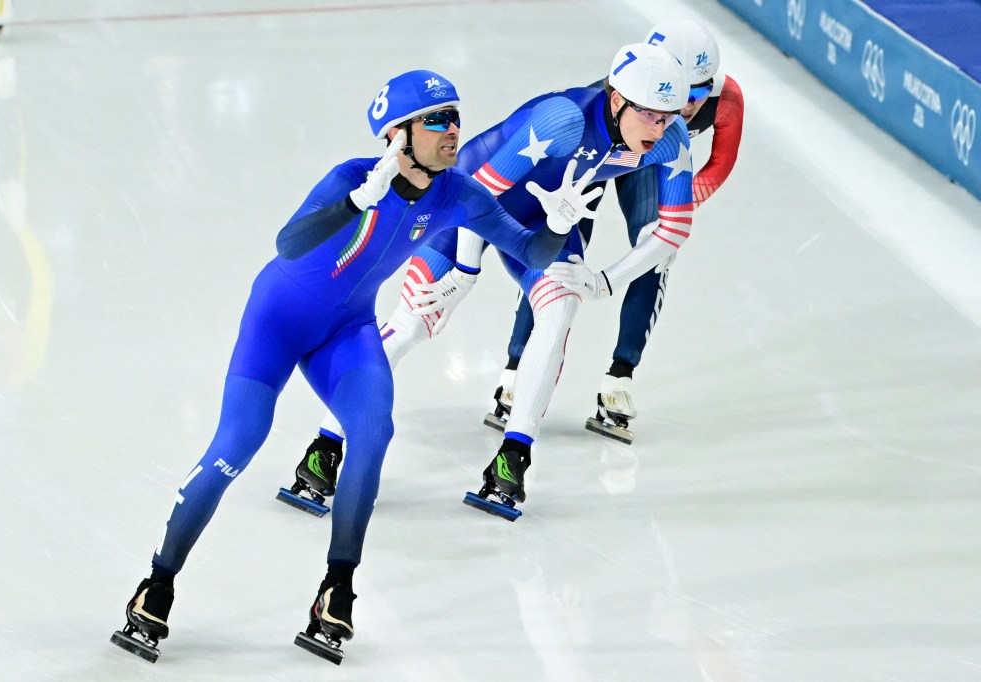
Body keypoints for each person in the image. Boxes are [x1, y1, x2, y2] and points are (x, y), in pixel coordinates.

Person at [110, 69, 600, 664]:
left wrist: (557, 226)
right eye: (436, 120)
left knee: (372, 433)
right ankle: (157, 583)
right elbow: (288, 245)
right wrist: (355, 203)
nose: (453, 130)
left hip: (347, 329)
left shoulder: (458, 193)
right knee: (238, 442)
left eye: (455, 116)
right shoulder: (351, 178)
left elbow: (528, 252)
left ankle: (336, 589)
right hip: (277, 320)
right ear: (397, 135)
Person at [296, 42, 693, 518]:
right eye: (650, 115)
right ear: (617, 100)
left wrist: (605, 281)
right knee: (414, 320)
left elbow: (674, 228)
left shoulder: (671, 139)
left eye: (668, 117)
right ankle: (325, 445)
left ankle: (513, 457)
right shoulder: (563, 120)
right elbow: (477, 196)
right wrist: (465, 272)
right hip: (464, 201)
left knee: (560, 307)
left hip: (543, 219)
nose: (660, 128)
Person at [496, 19, 745, 444]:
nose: (686, 107)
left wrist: (678, 203)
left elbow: (719, 165)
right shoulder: (610, 98)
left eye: (699, 93)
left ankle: (620, 376)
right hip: (599, 157)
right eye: (678, 93)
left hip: (657, 161)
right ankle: (516, 367)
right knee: (556, 256)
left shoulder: (729, 100)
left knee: (658, 249)